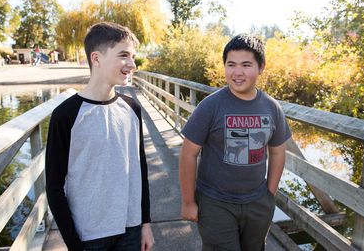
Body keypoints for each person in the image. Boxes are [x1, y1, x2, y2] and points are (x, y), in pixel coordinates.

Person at [46, 22, 154, 251]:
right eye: (123, 55)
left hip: (130, 228)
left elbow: (140, 169)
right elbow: (54, 186)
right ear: (96, 58)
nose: (132, 64)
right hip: (89, 234)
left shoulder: (132, 108)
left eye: (133, 56)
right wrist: (74, 244)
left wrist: (146, 223)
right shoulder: (66, 115)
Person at [179, 34, 291, 251]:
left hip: (257, 201)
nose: (237, 72)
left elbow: (278, 152)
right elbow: (188, 154)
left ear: (261, 67)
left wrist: (269, 194)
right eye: (231, 65)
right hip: (215, 202)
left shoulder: (271, 107)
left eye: (246, 64)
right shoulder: (211, 106)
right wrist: (188, 202)